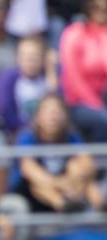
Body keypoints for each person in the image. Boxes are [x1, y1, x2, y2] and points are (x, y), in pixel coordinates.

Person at [59, 0, 107, 142]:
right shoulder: (74, 33)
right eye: (96, 7)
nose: (102, 11)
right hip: (79, 102)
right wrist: (96, 105)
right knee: (102, 120)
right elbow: (73, 78)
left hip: (104, 96)